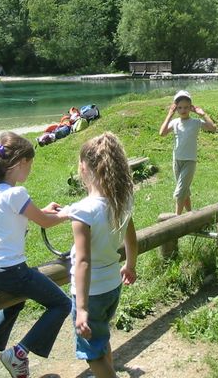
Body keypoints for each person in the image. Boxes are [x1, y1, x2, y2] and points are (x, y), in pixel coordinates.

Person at [0, 132, 71, 378]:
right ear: (21, 162)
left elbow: (14, 214)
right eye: (30, 164)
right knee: (61, 304)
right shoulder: (17, 194)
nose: (30, 169)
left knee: (16, 300)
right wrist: (69, 213)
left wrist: (43, 210)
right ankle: (19, 354)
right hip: (11, 272)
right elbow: (45, 221)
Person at [60, 132, 138, 378]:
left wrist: (82, 308)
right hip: (112, 286)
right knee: (101, 339)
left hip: (90, 294)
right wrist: (130, 266)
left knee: (92, 355)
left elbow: (83, 261)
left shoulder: (83, 211)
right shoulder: (121, 201)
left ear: (84, 168)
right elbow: (131, 238)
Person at [159, 90, 217, 215]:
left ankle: (177, 218)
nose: (183, 110)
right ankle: (190, 215)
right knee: (184, 189)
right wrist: (169, 115)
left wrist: (203, 114)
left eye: (186, 107)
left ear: (191, 107)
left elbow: (213, 128)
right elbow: (162, 133)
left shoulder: (196, 122)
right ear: (176, 108)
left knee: (180, 191)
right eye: (179, 107)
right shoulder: (175, 122)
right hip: (177, 160)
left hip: (190, 161)